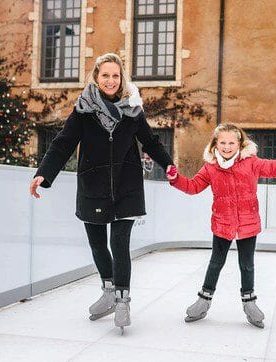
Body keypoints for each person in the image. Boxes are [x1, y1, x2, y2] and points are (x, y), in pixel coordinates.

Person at [30, 53, 174, 333]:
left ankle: (122, 300)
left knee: (119, 244)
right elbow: (63, 144)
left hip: (127, 186)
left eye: (115, 76)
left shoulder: (132, 110)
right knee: (97, 244)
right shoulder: (83, 111)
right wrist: (43, 174)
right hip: (93, 186)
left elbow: (151, 141)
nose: (110, 80)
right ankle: (108, 290)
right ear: (96, 78)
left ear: (122, 79)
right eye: (105, 75)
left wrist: (168, 165)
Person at [166, 123, 276, 328]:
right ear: (215, 144)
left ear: (239, 143)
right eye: (222, 142)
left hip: (248, 223)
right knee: (215, 263)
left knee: (247, 265)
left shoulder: (251, 162)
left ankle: (250, 304)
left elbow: (272, 167)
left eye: (231, 142)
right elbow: (194, 186)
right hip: (223, 222)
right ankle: (203, 302)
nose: (227, 146)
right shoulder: (210, 167)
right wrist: (176, 179)